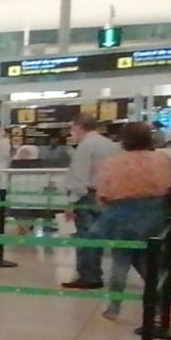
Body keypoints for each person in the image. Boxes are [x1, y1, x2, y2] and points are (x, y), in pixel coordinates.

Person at [91, 122, 171, 320]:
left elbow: (103, 194)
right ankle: (160, 303)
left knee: (121, 259)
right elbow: (169, 186)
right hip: (155, 215)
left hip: (121, 216)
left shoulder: (113, 163)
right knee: (148, 259)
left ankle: (114, 307)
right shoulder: (162, 159)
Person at [61, 115, 118, 290]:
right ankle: (94, 273)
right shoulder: (109, 144)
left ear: (79, 127)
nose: (72, 132)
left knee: (85, 237)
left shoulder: (86, 146)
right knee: (96, 237)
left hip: (87, 196)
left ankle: (89, 276)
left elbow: (79, 176)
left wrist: (71, 202)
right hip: (106, 195)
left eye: (73, 128)